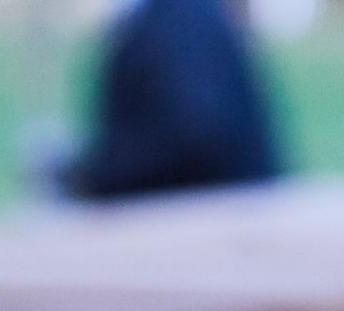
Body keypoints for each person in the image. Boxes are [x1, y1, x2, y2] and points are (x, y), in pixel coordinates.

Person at [64, 0, 284, 201]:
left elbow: (199, 128)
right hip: (220, 208)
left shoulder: (180, 14)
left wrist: (97, 174)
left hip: (219, 215)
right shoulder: (173, 12)